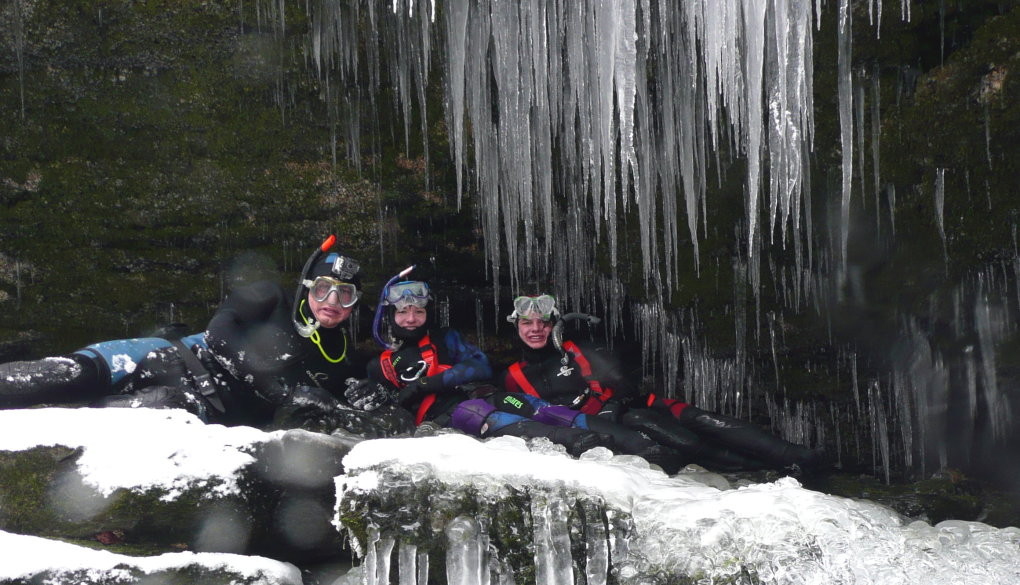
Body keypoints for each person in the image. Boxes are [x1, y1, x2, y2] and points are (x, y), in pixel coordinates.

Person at [0, 237, 413, 436]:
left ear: (357, 303)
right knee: (73, 375)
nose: (332, 302)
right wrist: (282, 391)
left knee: (135, 414)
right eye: (323, 289)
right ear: (307, 286)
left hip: (195, 404)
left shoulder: (341, 361)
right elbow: (219, 332)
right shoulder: (270, 299)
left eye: (345, 294)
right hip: (170, 355)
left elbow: (391, 421)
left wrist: (370, 403)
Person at [500, 293, 829, 473]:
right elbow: (532, 417)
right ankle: (764, 469)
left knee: (699, 419)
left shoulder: (576, 350)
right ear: (517, 328)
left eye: (542, 323)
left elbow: (620, 379)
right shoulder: (514, 376)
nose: (535, 330)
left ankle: (795, 455)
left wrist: (614, 402)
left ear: (554, 325)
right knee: (677, 438)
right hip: (604, 428)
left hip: (631, 407)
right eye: (527, 323)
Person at [343, 276, 612, 457]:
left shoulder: (447, 339)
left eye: (419, 312)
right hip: (444, 420)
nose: (412, 318)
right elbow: (387, 413)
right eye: (403, 312)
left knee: (523, 403)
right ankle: (572, 440)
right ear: (390, 316)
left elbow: (481, 366)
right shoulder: (378, 366)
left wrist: (426, 383)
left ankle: (611, 436)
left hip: (481, 396)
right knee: (476, 411)